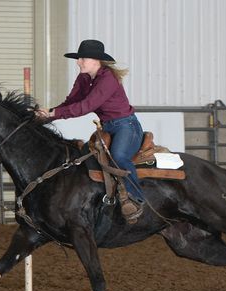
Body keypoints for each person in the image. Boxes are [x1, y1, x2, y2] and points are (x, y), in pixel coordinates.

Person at [37, 39, 145, 222]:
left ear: (96, 61)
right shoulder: (84, 78)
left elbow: (87, 106)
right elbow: (71, 102)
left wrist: (54, 113)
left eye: (82, 59)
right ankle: (102, 200)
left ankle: (137, 199)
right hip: (109, 128)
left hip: (126, 126)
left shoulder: (108, 79)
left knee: (119, 156)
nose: (78, 62)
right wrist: (49, 114)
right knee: (85, 156)